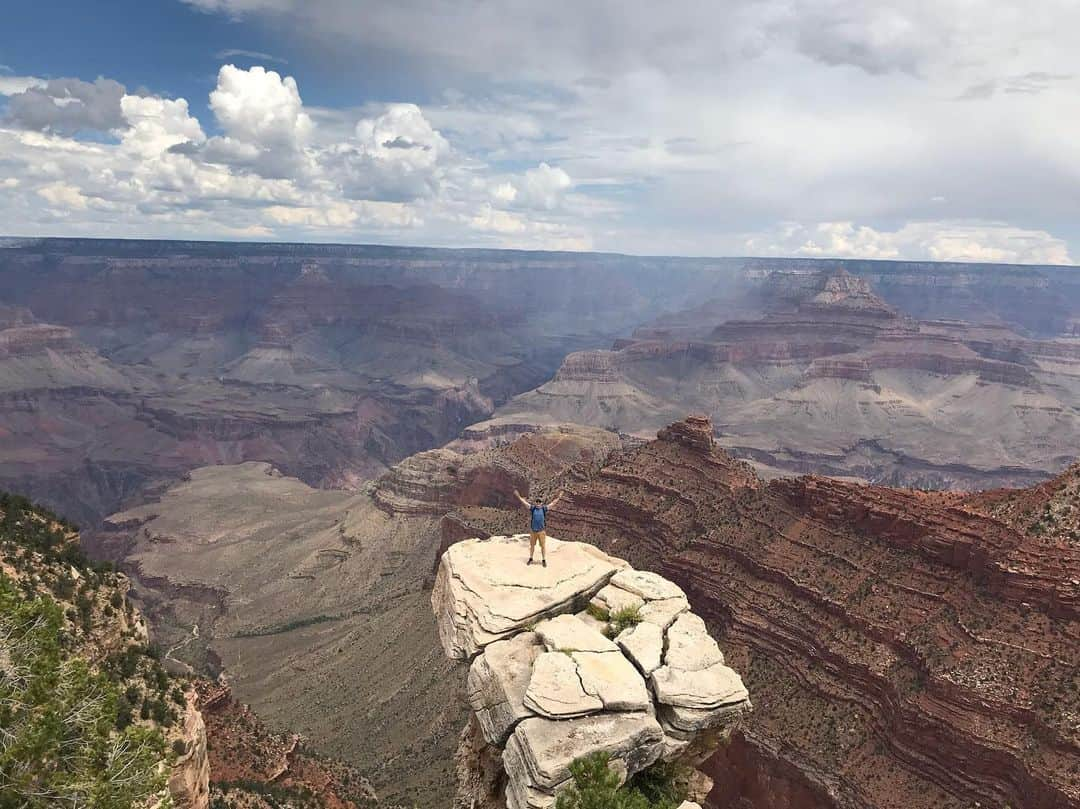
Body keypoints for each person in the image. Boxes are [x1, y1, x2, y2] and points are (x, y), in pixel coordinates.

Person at [513, 488, 563, 567]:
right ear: (535, 503)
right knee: (532, 546)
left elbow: (552, 503)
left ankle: (543, 560)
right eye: (537, 502)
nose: (538, 503)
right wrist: (518, 496)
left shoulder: (544, 509)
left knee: (542, 546)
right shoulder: (533, 508)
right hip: (533, 531)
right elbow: (525, 503)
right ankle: (531, 558)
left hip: (541, 531)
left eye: (539, 502)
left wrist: (559, 497)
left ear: (541, 503)